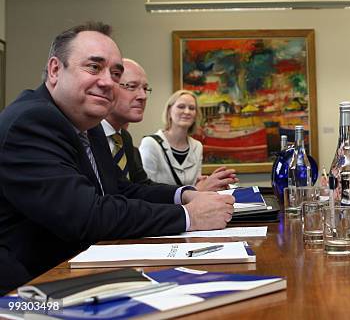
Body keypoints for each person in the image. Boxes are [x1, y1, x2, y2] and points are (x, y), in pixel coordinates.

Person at [0, 22, 234, 294]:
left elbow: (121, 189)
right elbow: (85, 215)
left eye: (115, 73)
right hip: (28, 291)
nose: (107, 82)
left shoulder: (90, 126)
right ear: (55, 70)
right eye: (93, 67)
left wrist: (184, 195)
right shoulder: (32, 121)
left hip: (83, 272)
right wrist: (188, 216)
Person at [102, 59, 238, 191]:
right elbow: (142, 194)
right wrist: (194, 191)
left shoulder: (124, 139)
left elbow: (141, 190)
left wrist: (202, 186)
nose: (143, 96)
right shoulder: (87, 136)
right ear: (169, 111)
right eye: (132, 86)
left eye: (145, 88)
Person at [139, 90, 204, 187]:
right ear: (169, 111)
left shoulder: (197, 147)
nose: (187, 112)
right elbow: (144, 188)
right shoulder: (151, 144)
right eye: (181, 107)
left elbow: (196, 185)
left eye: (191, 108)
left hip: (192, 202)